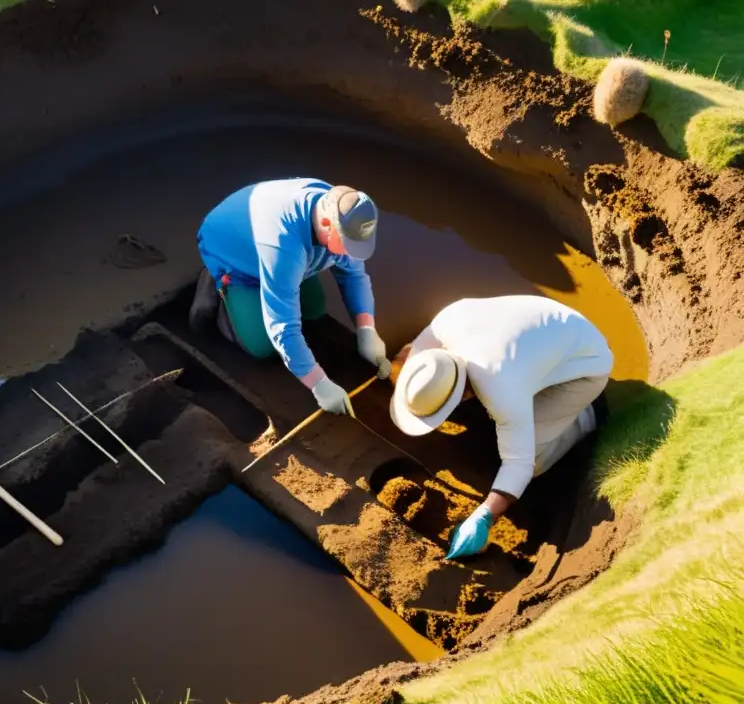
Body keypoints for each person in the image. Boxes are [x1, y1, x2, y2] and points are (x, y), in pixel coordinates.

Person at [388, 294, 614, 560]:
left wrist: (484, 516)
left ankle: (586, 415)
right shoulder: (442, 326)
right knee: (512, 409)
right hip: (545, 329)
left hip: (586, 360)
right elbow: (405, 363)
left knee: (535, 456)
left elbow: (519, 463)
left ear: (463, 393)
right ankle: (535, 393)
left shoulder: (499, 387)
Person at [189, 177, 392, 415]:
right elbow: (283, 327)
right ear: (326, 224)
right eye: (348, 245)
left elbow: (353, 275)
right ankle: (220, 289)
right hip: (234, 253)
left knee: (314, 309)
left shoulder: (344, 208)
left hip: (286, 255)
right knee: (261, 346)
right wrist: (319, 384)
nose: (352, 254)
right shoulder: (282, 245)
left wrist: (367, 329)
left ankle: (292, 276)